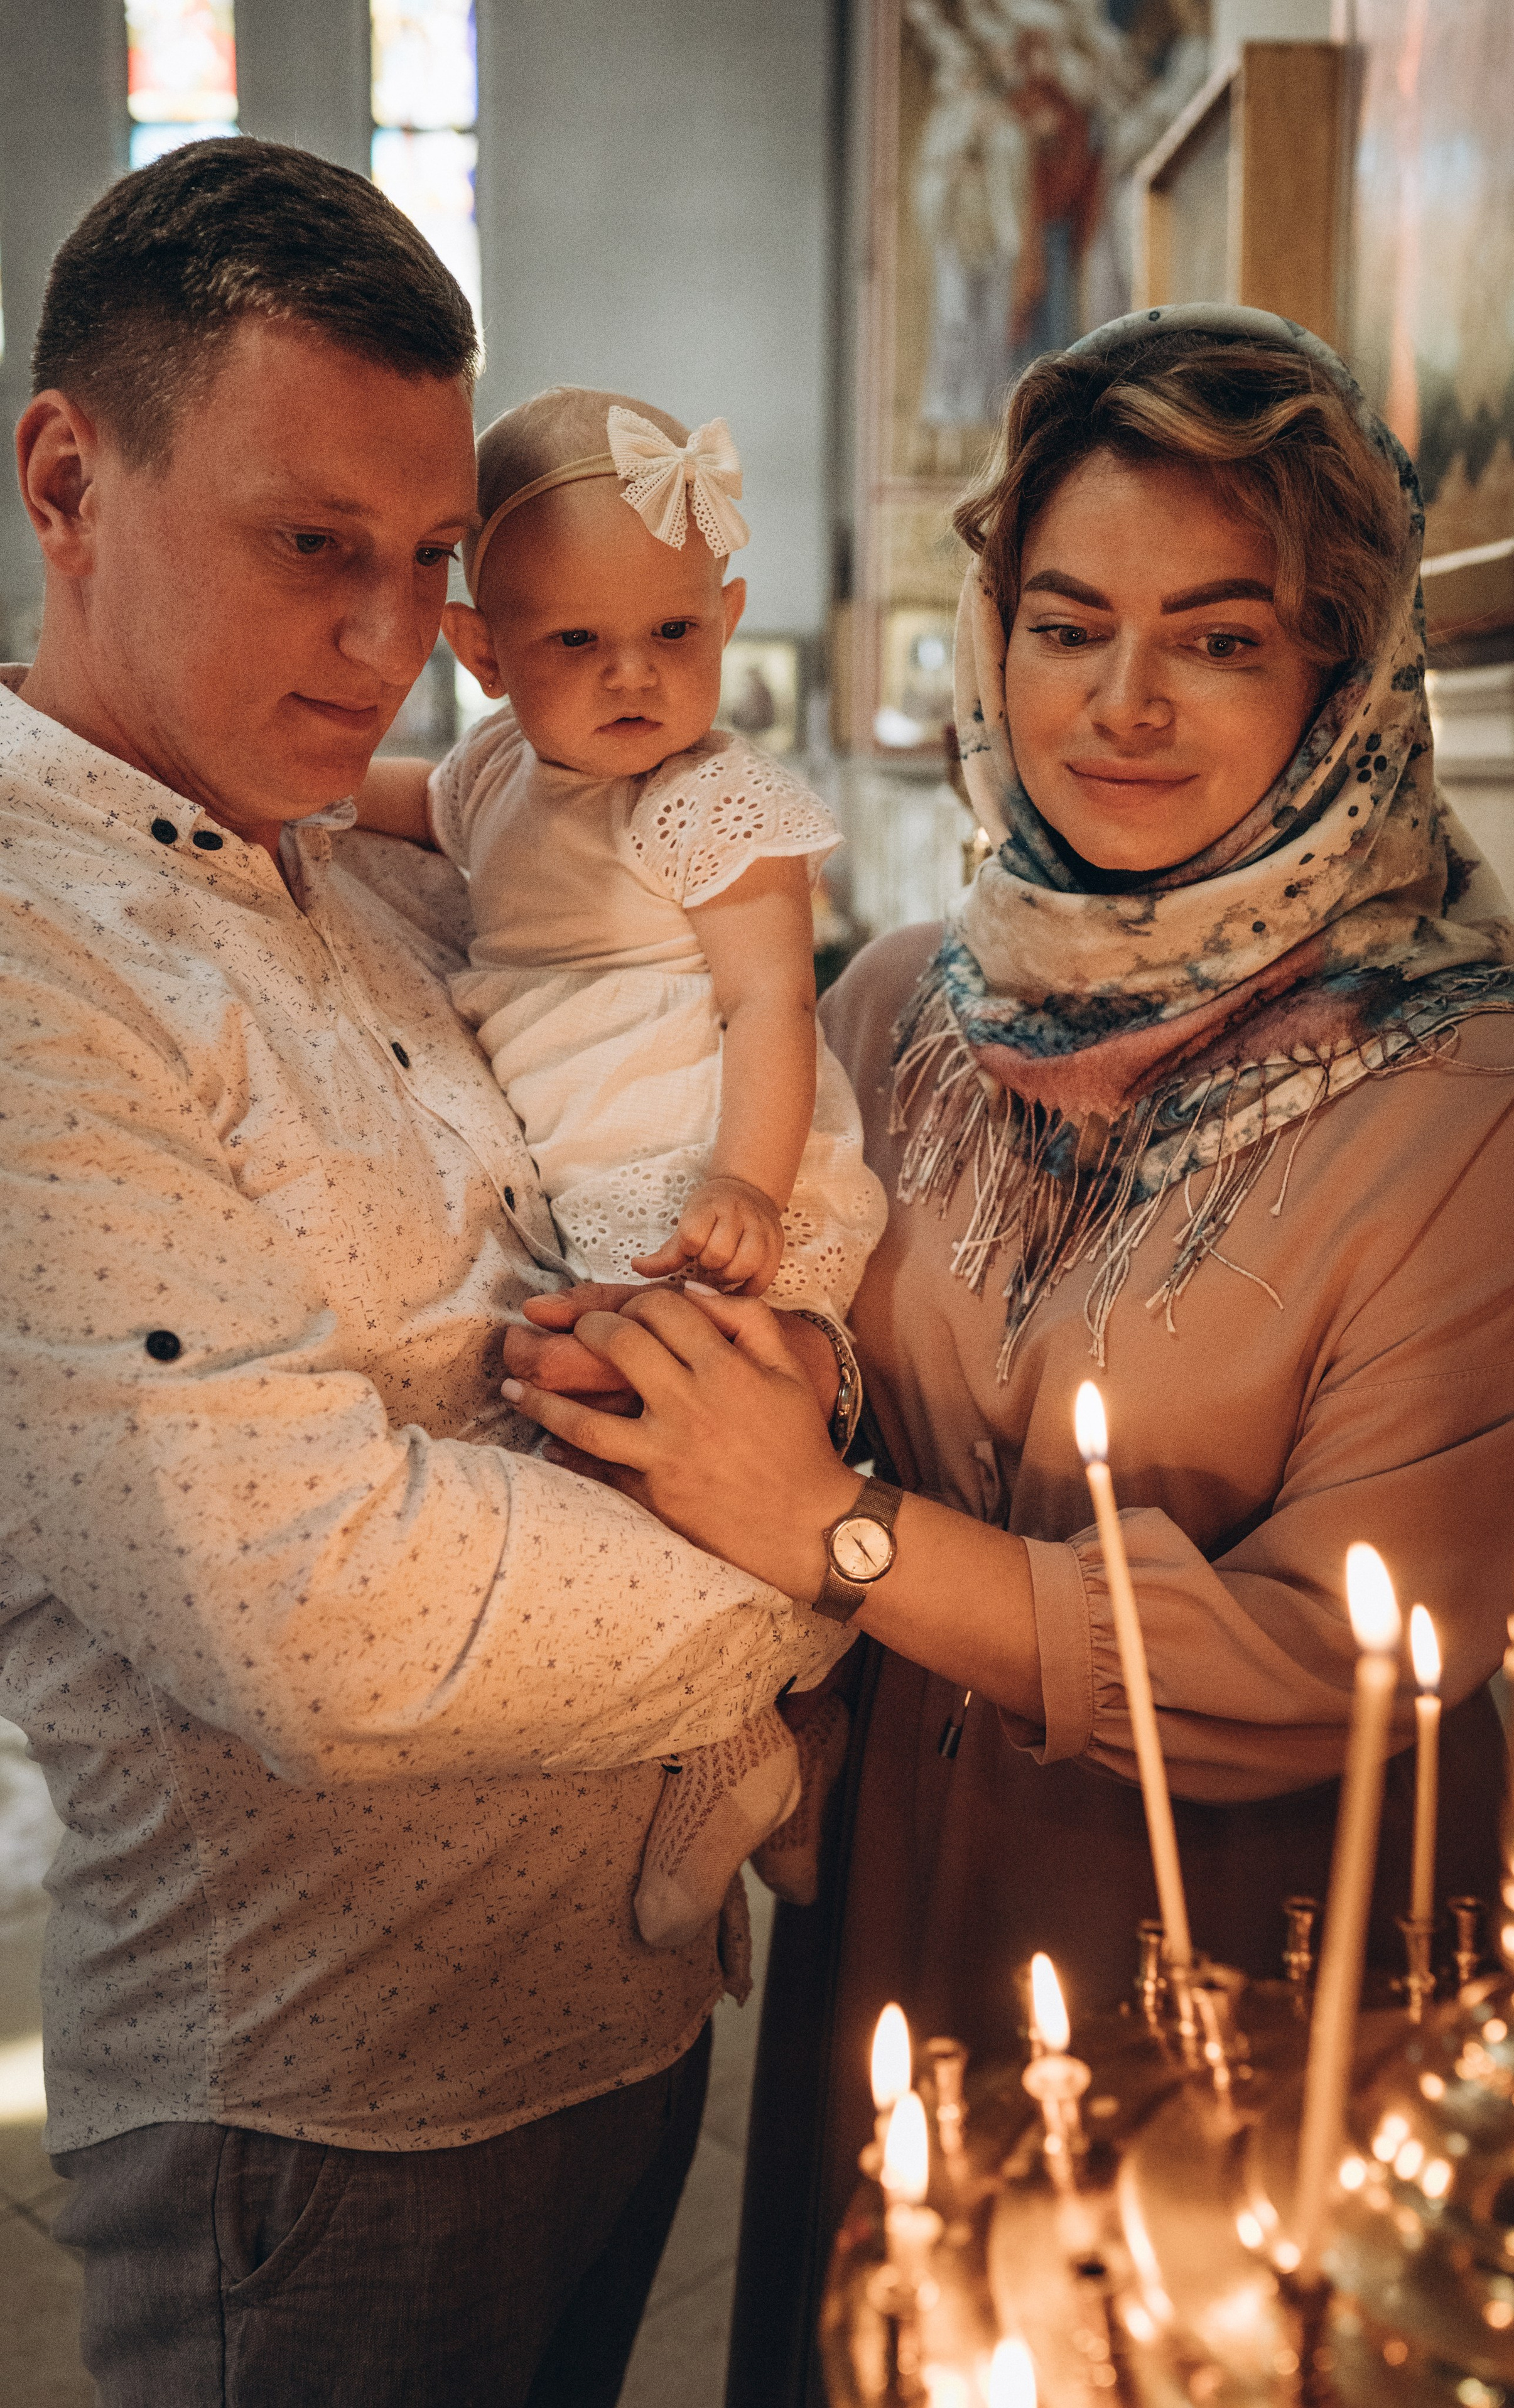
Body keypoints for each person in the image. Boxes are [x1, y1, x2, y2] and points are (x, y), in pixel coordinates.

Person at [497, 306, 1514, 2408]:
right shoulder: (900, 1004)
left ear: (1342, 672)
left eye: (1224, 638)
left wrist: (845, 1531)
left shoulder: (1477, 1094)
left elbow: (1340, 1659)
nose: (1126, 705)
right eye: (1068, 624)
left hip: (1241, 2002)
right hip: (895, 1944)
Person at [0, 137, 850, 2408]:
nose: (389, 648)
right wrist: (837, 1559)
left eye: (429, 569)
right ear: (68, 478)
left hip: (609, 2018)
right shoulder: (35, 951)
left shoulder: (347, 859)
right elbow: (318, 1607)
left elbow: (656, 1038)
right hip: (323, 2111)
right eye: (310, 551)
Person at [354, 383, 885, 1950]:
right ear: (480, 657)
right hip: (604, 1202)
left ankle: (739, 1737)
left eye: (671, 633)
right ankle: (799, 1708)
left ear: (725, 616)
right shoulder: (494, 780)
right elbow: (360, 804)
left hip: (716, 1184)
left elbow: (765, 998)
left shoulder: (713, 801)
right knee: (573, 1408)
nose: (635, 678)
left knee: (630, 1433)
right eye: (574, 646)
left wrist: (748, 1186)